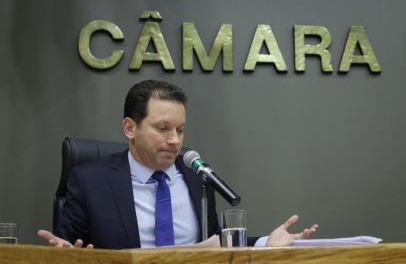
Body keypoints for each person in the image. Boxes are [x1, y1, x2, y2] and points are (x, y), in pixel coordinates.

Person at [38, 79, 318, 249]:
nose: (175, 140)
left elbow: (213, 243)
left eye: (180, 130)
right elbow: (67, 245)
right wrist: (63, 251)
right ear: (129, 128)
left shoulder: (196, 178)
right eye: (162, 128)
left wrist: (264, 243)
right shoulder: (90, 180)